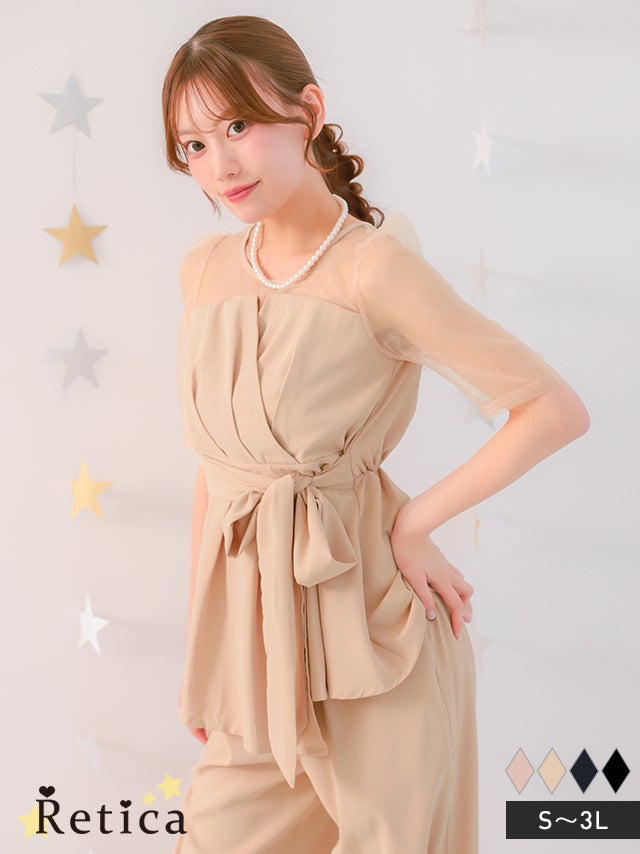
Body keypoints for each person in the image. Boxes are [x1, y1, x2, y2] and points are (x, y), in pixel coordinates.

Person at [161, 15, 590, 854]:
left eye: (239, 125)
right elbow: (217, 473)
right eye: (194, 146)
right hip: (256, 655)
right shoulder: (203, 272)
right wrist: (203, 653)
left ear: (309, 111)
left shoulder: (374, 267)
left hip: (375, 636)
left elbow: (553, 409)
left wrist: (413, 523)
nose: (220, 166)